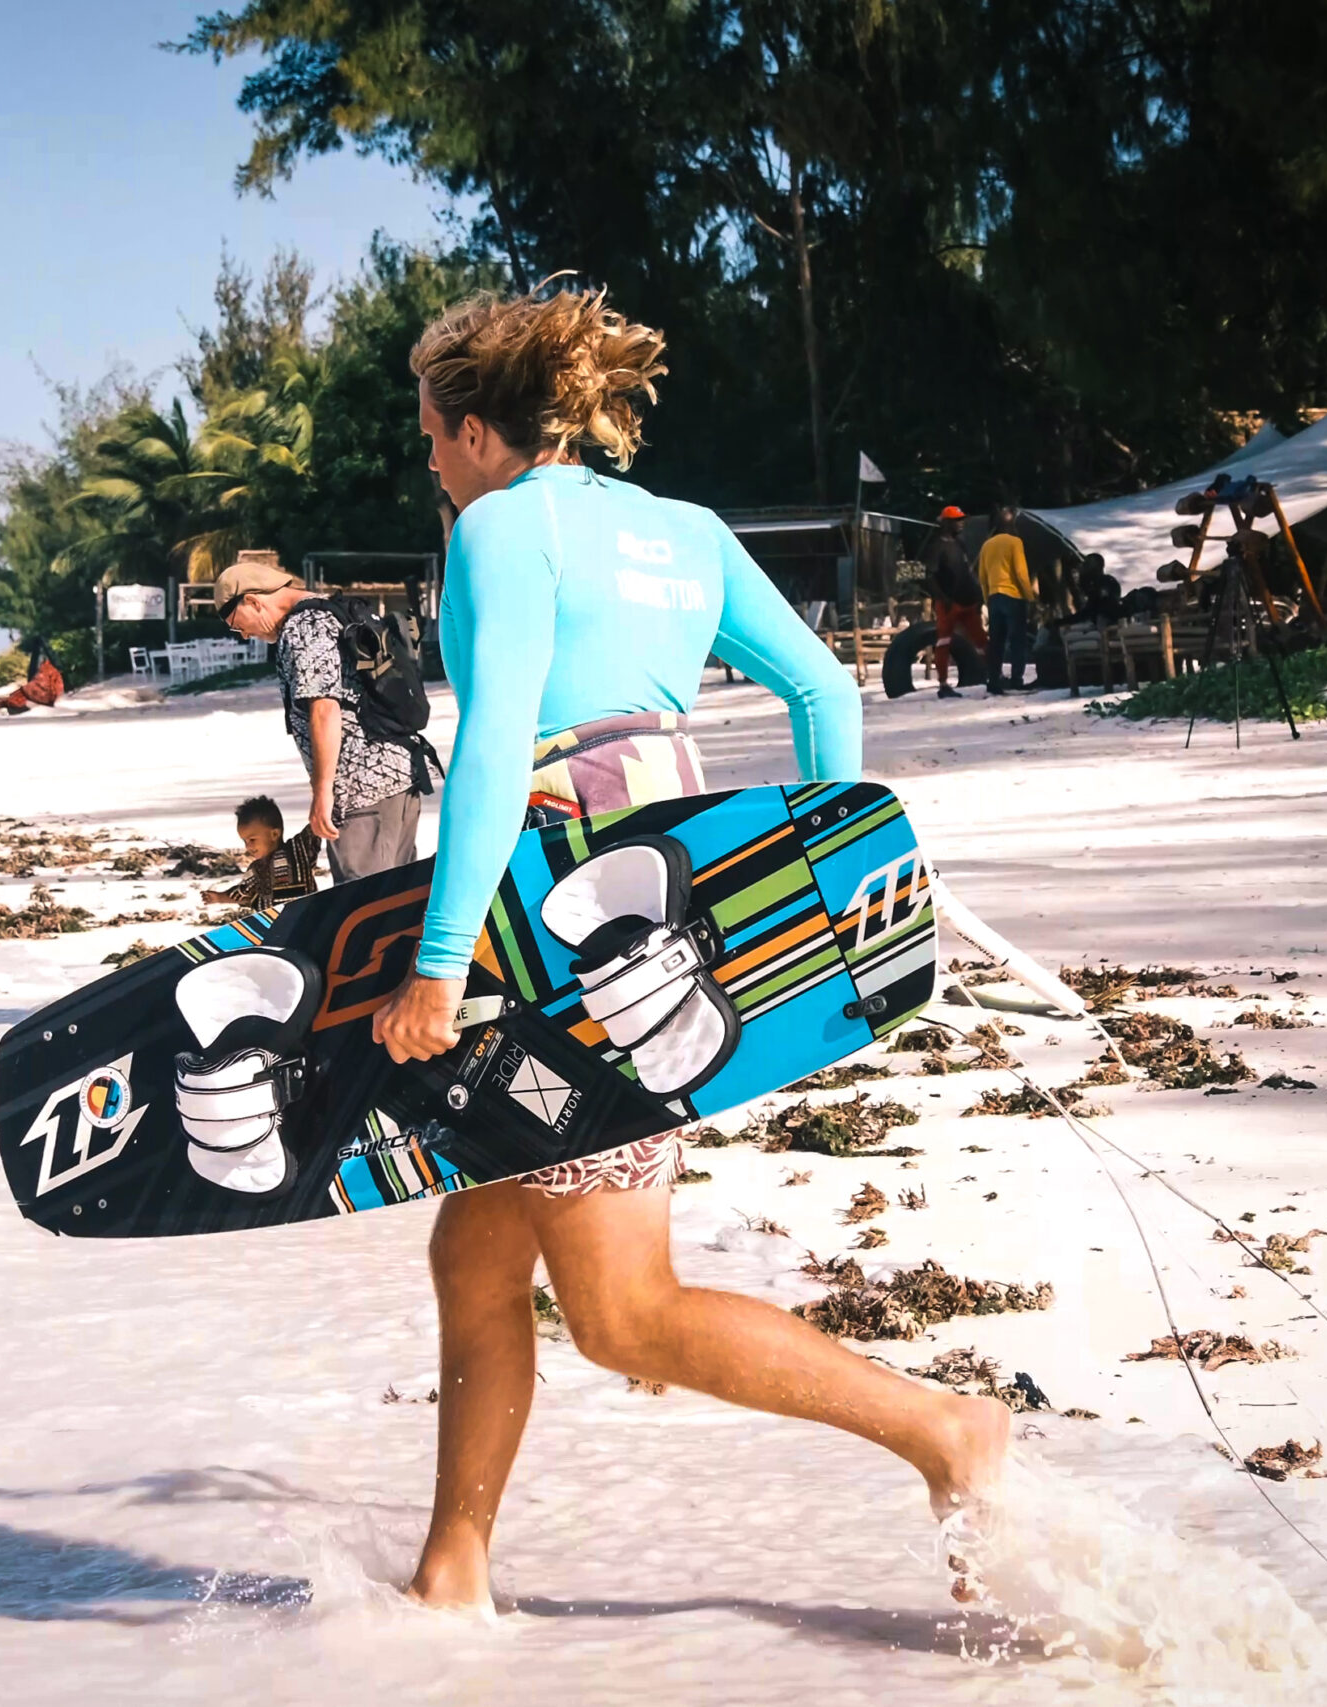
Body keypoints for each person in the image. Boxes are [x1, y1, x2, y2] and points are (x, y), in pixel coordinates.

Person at [362, 286, 1010, 1612]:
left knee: (622, 1310)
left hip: (562, 927)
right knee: (477, 1249)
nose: (427, 459)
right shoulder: (687, 532)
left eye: (430, 434)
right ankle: (453, 1570)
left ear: (478, 429)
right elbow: (824, 690)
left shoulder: (498, 526)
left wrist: (436, 963)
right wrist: (827, 880)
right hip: (667, 895)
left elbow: (494, 740)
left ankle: (947, 1432)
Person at [214, 553, 422, 881]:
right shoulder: (328, 609)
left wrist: (324, 792)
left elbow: (324, 708)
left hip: (362, 788)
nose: (243, 635)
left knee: (364, 901)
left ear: (253, 601)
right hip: (397, 773)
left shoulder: (303, 627)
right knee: (398, 898)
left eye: (238, 625)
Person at [203, 795, 323, 912]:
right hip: (273, 924)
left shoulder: (298, 849)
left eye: (252, 840)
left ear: (274, 834)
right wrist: (219, 897)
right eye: (244, 841)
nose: (248, 846)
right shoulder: (256, 869)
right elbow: (243, 893)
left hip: (307, 915)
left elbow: (318, 824)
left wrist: (325, 798)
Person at [927, 505, 988, 699]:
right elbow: (929, 576)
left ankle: (993, 675)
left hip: (968, 601)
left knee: (981, 640)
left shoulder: (960, 544)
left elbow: (967, 572)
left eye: (961, 519)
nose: (961, 523)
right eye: (956, 520)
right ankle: (944, 684)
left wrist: (978, 595)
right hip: (948, 603)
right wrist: (942, 599)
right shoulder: (937, 546)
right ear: (946, 523)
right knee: (944, 642)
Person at [976, 506, 1034, 695]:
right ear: (1013, 524)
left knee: (996, 642)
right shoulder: (1015, 542)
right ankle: (1016, 679)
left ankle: (993, 680)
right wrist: (1029, 596)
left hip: (994, 597)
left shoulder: (986, 545)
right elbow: (1020, 573)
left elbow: (982, 576)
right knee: (1017, 640)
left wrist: (988, 598)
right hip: (1013, 596)